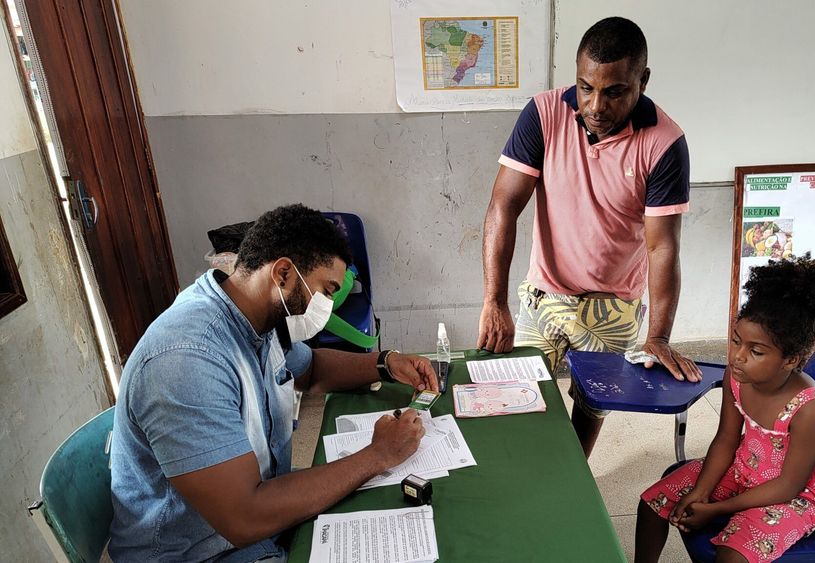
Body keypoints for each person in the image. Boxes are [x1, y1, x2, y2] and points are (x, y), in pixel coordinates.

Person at [109, 204, 438, 562]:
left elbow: (311, 370)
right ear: (283, 273)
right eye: (325, 291)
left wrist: (385, 363)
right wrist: (379, 455)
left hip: (255, 523)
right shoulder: (187, 359)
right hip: (202, 551)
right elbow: (244, 517)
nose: (326, 306)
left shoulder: (257, 319)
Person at [478, 16, 701, 457]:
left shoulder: (664, 142)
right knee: (518, 404)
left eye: (615, 91)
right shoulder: (543, 114)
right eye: (586, 87)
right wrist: (494, 300)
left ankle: (571, 486)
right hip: (544, 296)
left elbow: (662, 246)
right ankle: (527, 481)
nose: (596, 105)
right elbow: (503, 206)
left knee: (590, 411)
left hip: (614, 307)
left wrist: (658, 335)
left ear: (643, 81)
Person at [633, 255, 815, 563]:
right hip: (742, 469)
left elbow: (789, 485)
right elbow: (725, 440)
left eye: (756, 351)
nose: (738, 356)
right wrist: (701, 492)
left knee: (731, 555)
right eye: (736, 341)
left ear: (790, 359)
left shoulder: (810, 408)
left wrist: (715, 509)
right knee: (652, 503)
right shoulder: (737, 378)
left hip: (793, 496)